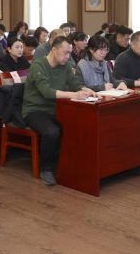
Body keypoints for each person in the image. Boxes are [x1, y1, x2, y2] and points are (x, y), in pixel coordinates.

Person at [22, 36, 95, 186]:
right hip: (35, 109)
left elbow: (75, 84)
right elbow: (46, 91)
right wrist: (73, 95)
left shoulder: (66, 66)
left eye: (69, 53)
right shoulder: (38, 65)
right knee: (52, 131)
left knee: (77, 126)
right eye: (65, 53)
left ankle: (69, 164)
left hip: (57, 108)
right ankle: (46, 169)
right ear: (54, 50)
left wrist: (86, 90)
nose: (68, 57)